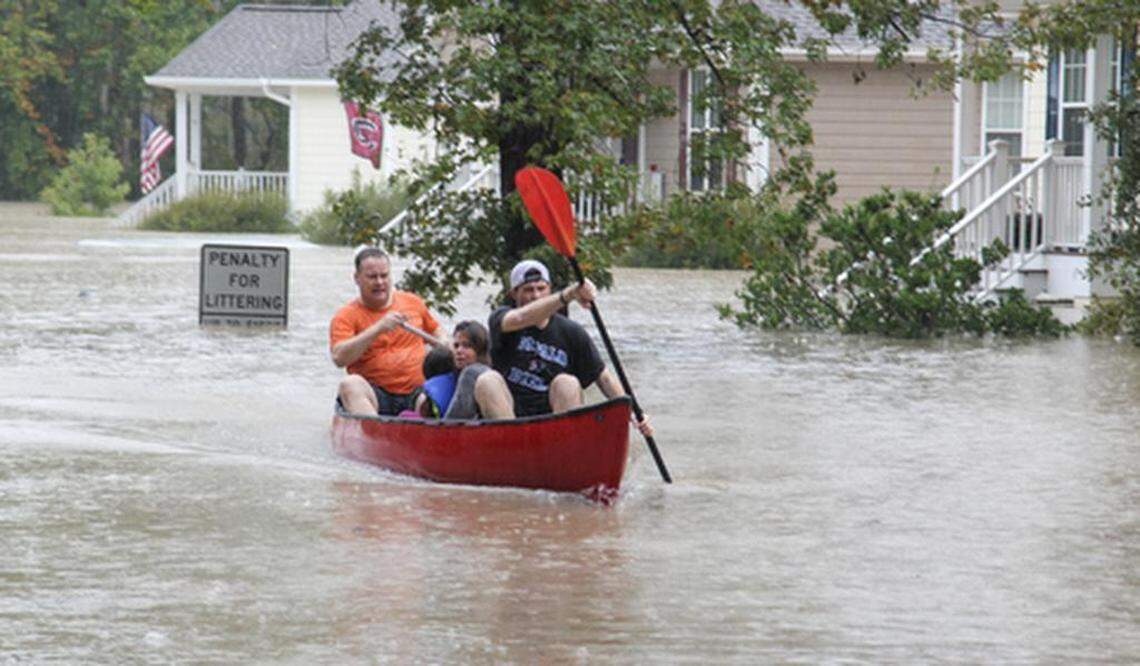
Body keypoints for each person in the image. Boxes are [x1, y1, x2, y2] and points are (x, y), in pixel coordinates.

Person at [488, 259, 652, 435]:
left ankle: (561, 444)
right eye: (528, 290)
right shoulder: (501, 318)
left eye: (541, 288)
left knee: (568, 383)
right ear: (514, 294)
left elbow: (603, 378)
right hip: (510, 415)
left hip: (552, 419)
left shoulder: (571, 332)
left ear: (549, 289)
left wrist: (633, 413)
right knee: (487, 380)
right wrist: (570, 294)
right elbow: (520, 318)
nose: (535, 296)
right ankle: (511, 443)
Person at [330, 247, 444, 415]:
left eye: (384, 276)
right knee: (349, 384)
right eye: (372, 277)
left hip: (417, 392)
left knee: (438, 391)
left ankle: (428, 425)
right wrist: (378, 328)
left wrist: (447, 343)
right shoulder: (345, 316)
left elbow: (439, 333)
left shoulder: (413, 302)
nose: (380, 282)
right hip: (375, 395)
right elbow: (339, 358)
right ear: (357, 278)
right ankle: (373, 434)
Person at [414, 321, 514, 420]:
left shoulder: (479, 376)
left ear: (480, 350)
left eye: (467, 346)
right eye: (456, 346)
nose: (459, 351)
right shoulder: (448, 379)